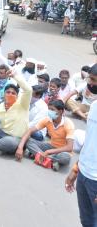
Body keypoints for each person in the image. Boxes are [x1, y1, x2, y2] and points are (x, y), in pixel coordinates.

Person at [65, 91, 97, 226]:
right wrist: (76, 169)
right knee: (87, 220)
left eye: (93, 80)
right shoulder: (95, 106)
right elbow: (90, 142)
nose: (90, 84)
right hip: (84, 173)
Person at [16, 100, 74, 169]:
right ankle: (51, 161)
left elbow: (69, 147)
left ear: (61, 111)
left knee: (65, 158)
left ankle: (39, 156)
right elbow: (30, 130)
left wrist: (48, 152)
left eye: (52, 109)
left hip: (62, 151)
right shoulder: (47, 120)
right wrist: (20, 148)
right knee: (28, 141)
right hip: (51, 146)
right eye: (49, 109)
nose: (49, 111)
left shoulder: (68, 124)